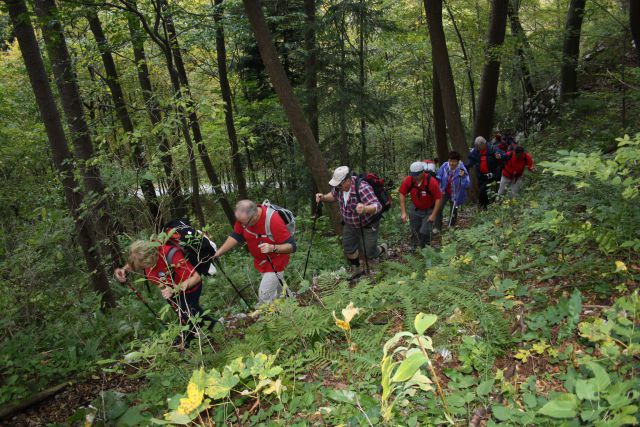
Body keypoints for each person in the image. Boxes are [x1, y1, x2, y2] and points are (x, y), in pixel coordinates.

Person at [114, 237, 215, 349]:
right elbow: (136, 258)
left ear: (150, 259)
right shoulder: (145, 253)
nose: (143, 269)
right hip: (170, 290)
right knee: (186, 313)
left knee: (189, 312)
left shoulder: (171, 255)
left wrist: (175, 289)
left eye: (143, 266)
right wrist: (124, 270)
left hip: (189, 287)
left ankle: (191, 338)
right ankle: (209, 328)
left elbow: (196, 278)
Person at [214, 200, 296, 306]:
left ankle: (272, 318)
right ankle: (293, 303)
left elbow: (292, 247)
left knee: (265, 295)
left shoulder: (273, 220)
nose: (242, 225)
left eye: (245, 223)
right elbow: (236, 235)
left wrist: (272, 248)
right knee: (279, 286)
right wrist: (219, 252)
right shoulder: (244, 219)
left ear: (255, 216)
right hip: (262, 262)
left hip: (276, 260)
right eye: (240, 222)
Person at [315, 166, 387, 278]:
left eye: (339, 185)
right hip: (350, 224)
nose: (337, 187)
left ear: (347, 181)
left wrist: (365, 209)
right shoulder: (339, 188)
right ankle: (357, 269)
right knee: (348, 247)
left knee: (369, 252)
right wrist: (323, 197)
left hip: (367, 224)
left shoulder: (362, 188)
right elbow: (333, 196)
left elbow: (377, 206)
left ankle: (383, 249)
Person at [398, 161, 443, 248]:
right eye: (413, 174)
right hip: (415, 209)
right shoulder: (409, 180)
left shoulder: (432, 182)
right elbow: (402, 193)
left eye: (417, 174)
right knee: (415, 230)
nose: (415, 177)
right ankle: (415, 248)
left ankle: (426, 249)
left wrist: (433, 215)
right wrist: (403, 212)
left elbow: (438, 198)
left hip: (429, 210)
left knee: (425, 231)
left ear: (423, 172)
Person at [466, 136, 504, 209]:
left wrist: (499, 156)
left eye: (478, 146)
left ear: (484, 144)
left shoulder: (492, 148)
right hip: (481, 175)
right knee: (483, 192)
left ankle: (485, 207)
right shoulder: (476, 151)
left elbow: (501, 155)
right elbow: (471, 160)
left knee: (483, 191)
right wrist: (466, 167)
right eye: (476, 146)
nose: (477, 147)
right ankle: (484, 207)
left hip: (492, 175)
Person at [436, 151, 470, 229]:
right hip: (444, 191)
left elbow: (467, 184)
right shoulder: (445, 166)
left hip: (456, 192)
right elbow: (438, 176)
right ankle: (437, 227)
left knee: (454, 210)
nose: (452, 163)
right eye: (450, 161)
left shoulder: (462, 169)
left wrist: (463, 176)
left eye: (454, 161)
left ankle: (451, 227)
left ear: (458, 162)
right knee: (438, 207)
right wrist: (438, 188)